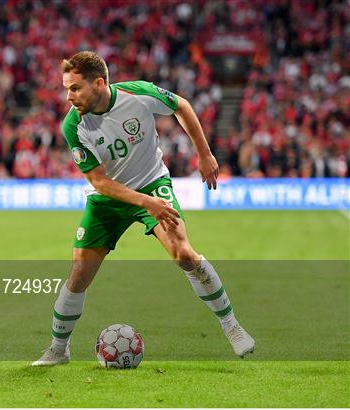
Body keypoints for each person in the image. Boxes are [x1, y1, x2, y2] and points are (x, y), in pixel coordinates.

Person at [32, 51, 255, 366]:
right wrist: (145, 202)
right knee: (80, 274)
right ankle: (58, 349)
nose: (69, 97)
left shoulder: (137, 94)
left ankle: (232, 328)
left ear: (99, 83)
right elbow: (99, 181)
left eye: (75, 88)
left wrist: (204, 154)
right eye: (67, 88)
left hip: (152, 184)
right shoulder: (74, 126)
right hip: (108, 199)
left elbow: (182, 106)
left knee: (184, 254)